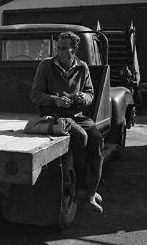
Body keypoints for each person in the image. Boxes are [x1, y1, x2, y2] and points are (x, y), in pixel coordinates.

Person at [30, 31, 104, 213]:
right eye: (58, 47)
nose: (59, 51)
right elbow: (35, 95)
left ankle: (91, 192)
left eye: (64, 48)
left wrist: (82, 98)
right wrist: (55, 100)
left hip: (76, 114)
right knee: (81, 137)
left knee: (96, 139)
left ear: (75, 49)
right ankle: (80, 188)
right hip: (53, 115)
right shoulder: (46, 65)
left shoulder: (83, 67)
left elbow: (90, 94)